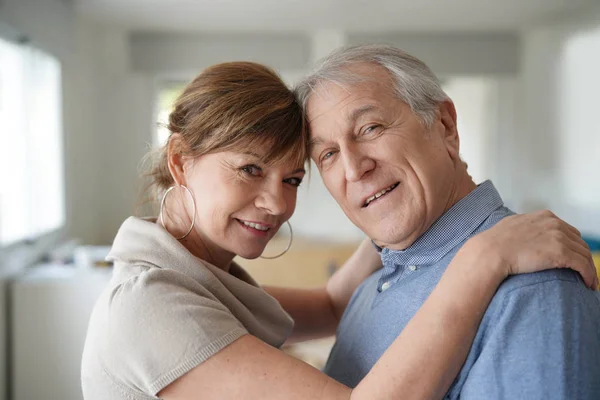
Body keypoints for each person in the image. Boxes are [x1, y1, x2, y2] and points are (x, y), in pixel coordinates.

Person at [80, 61, 597, 400]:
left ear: (445, 127)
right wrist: (482, 257)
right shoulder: (152, 304)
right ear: (181, 163)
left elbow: (330, 304)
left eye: (294, 177)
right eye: (249, 169)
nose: (278, 202)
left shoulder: (535, 293)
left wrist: (391, 215)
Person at [294, 44, 600, 399]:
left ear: (445, 125)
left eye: (370, 128)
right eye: (328, 154)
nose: (353, 169)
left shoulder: (532, 285)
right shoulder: (367, 288)